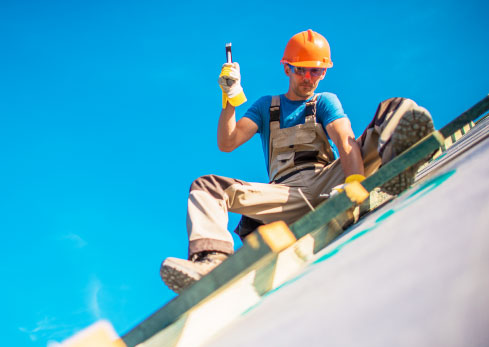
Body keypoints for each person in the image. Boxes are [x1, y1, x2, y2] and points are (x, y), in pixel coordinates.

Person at [160, 29, 434, 293]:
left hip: (329, 181)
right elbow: (227, 142)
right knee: (206, 186)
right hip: (285, 195)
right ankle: (211, 261)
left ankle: (402, 161)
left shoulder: (324, 101)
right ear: (287, 68)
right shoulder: (267, 106)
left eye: (317, 70)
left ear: (325, 71)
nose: (308, 77)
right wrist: (230, 98)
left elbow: (344, 139)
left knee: (397, 109)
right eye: (301, 69)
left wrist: (354, 182)